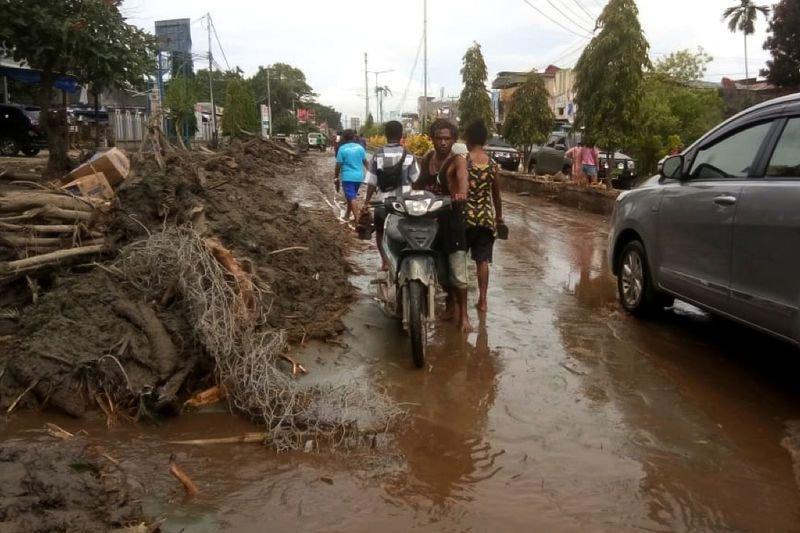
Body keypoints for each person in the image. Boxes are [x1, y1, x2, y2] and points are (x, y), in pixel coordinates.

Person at [415, 119, 471, 331]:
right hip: (430, 221)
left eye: (447, 138)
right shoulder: (428, 158)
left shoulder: (458, 160)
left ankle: (464, 315)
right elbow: (419, 183)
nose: (443, 142)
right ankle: (449, 305)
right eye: (439, 138)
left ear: (453, 140)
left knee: (457, 270)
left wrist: (461, 194)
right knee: (440, 269)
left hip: (452, 219)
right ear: (432, 139)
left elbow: (462, 178)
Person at [362, 120, 420, 270]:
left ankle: (385, 262)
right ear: (401, 135)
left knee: (380, 231)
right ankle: (406, 259)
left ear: (386, 135)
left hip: (383, 203)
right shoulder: (409, 156)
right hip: (405, 204)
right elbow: (417, 181)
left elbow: (371, 183)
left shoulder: (377, 155)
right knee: (407, 230)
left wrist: (366, 203)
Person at [463, 119, 504, 314]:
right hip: (486, 218)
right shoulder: (493, 165)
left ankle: (457, 304)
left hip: (465, 218)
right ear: (484, 139)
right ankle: (483, 301)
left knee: (459, 259)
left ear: (468, 139)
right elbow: (496, 195)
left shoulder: (464, 162)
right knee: (483, 261)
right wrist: (499, 218)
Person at [334, 129, 368, 221]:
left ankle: (357, 220)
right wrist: (370, 174)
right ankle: (347, 215)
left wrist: (336, 177)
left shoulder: (342, 149)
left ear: (343, 138)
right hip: (359, 177)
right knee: (350, 196)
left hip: (347, 177)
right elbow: (366, 162)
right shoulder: (360, 148)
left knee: (351, 197)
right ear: (354, 137)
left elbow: (338, 165)